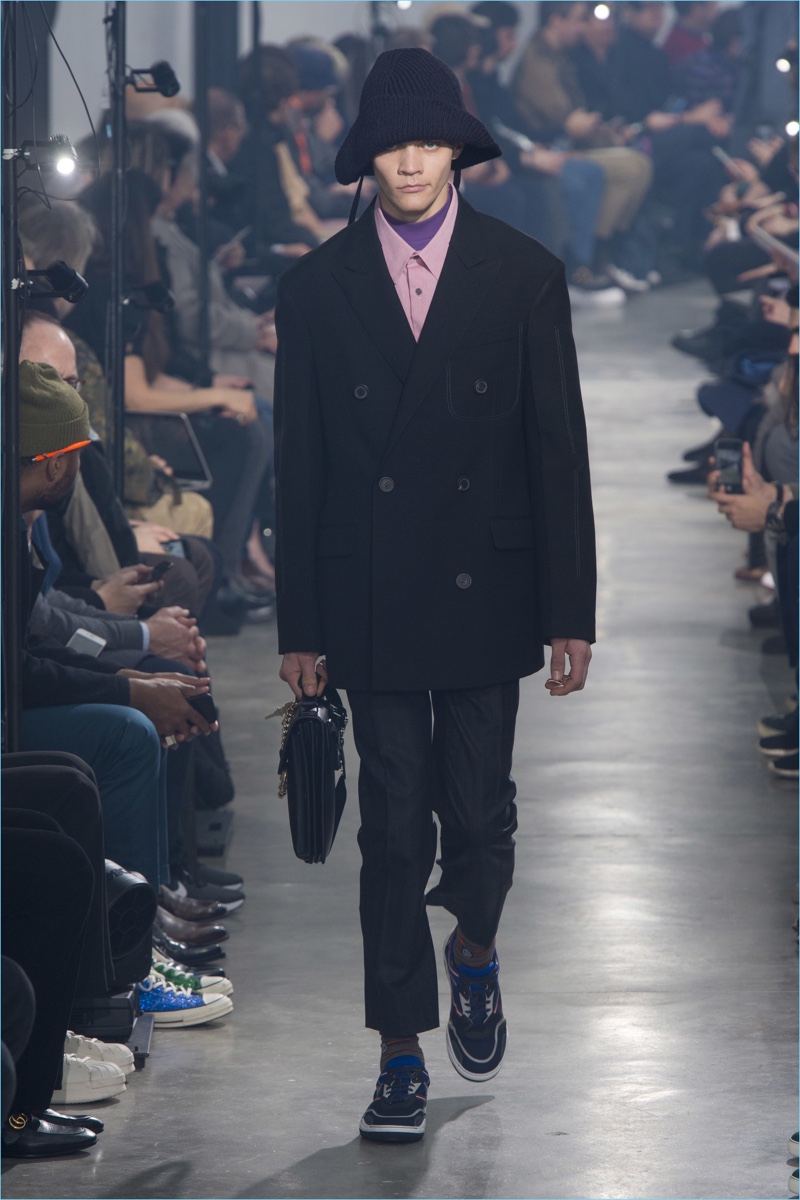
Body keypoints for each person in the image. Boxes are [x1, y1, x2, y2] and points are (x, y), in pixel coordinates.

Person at [274, 48, 596, 1143]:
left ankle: (473, 949)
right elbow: (302, 466)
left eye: (427, 142)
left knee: (480, 815)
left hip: (485, 586)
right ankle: (399, 1052)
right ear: (364, 158)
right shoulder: (316, 289)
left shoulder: (523, 274)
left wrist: (570, 607)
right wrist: (301, 626)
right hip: (367, 590)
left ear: (458, 150)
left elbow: (555, 452)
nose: (409, 162)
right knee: (393, 827)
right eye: (390, 145)